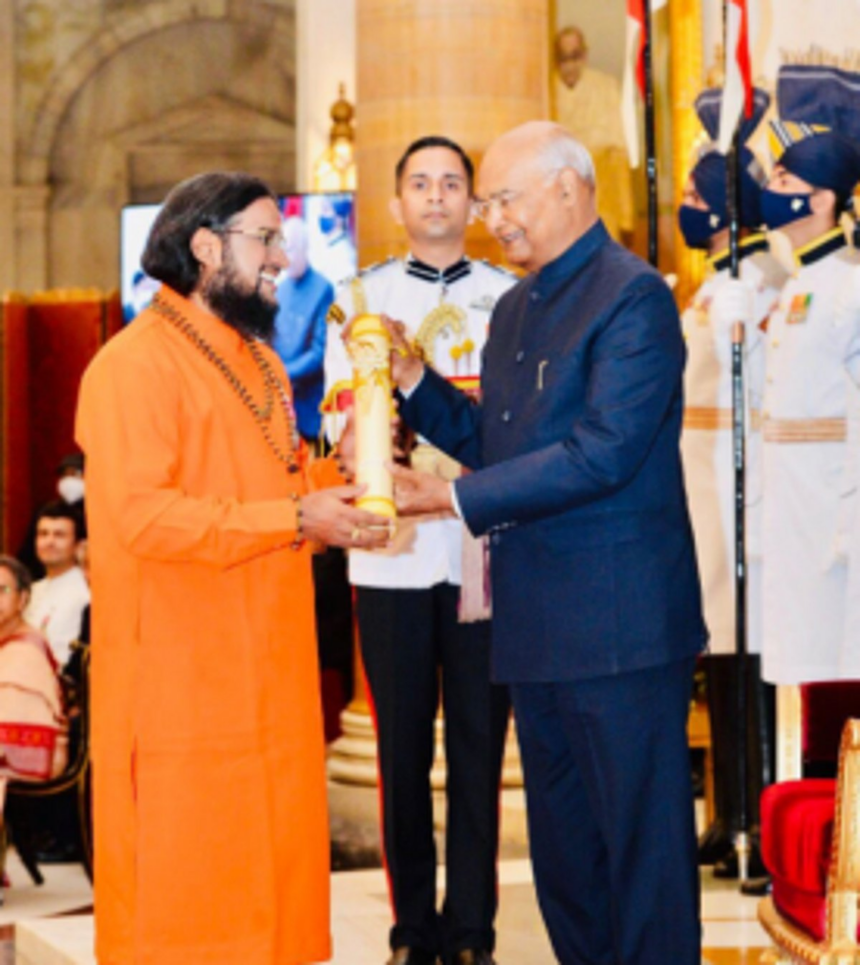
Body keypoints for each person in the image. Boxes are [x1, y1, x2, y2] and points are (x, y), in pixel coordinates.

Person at [384, 121, 707, 965]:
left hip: (619, 628)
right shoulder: (517, 307)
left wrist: (451, 497)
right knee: (566, 864)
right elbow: (502, 445)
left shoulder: (632, 296)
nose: (492, 218)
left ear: (568, 187)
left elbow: (602, 452)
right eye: (486, 202)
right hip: (534, 632)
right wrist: (415, 383)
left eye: (503, 197)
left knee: (643, 853)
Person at [75, 171, 390, 965]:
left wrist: (348, 480)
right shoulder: (131, 366)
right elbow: (144, 516)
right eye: (267, 238)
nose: (285, 256)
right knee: (190, 906)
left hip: (270, 680)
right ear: (206, 247)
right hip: (181, 685)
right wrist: (295, 516)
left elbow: (275, 487)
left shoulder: (263, 364)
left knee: (273, 902)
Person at [324, 135, 514, 965]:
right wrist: (357, 451)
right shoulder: (357, 295)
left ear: (474, 204)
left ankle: (472, 927)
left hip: (481, 548)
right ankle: (411, 928)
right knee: (401, 747)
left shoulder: (515, 296)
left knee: (479, 740)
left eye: (451, 184)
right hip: (391, 544)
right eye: (419, 184)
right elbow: (337, 415)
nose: (435, 197)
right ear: (396, 203)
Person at [677, 86, 786, 881]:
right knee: (719, 649)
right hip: (700, 486)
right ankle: (727, 806)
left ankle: (755, 810)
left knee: (746, 649)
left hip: (738, 488)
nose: (684, 205)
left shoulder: (761, 276)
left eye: (693, 193)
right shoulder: (717, 276)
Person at [751, 63, 860, 686]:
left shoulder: (847, 285)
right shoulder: (799, 283)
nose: (772, 189)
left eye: (785, 179)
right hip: (793, 512)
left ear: (821, 199)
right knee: (803, 669)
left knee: (838, 670)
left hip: (832, 517)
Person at [0, 556, 68, 896]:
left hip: (27, 747)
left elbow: (16, 720)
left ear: (23, 599)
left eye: (1, 590)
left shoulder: (26, 649)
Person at [553, 26, 635, 244]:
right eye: (563, 57)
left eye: (574, 56)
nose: (569, 64)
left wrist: (626, 215)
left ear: (584, 56)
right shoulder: (546, 91)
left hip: (602, 196)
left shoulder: (606, 88)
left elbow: (620, 152)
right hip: (558, 200)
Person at [272, 216, 335, 440]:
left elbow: (319, 353)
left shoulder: (323, 289)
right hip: (280, 404)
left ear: (305, 248)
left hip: (311, 409)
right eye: (282, 249)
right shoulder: (279, 289)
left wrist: (281, 374)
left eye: (290, 249)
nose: (285, 258)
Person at [24, 500, 90, 671]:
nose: (49, 542)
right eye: (43, 534)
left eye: (59, 535)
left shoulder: (85, 593)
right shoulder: (31, 590)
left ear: (78, 545)